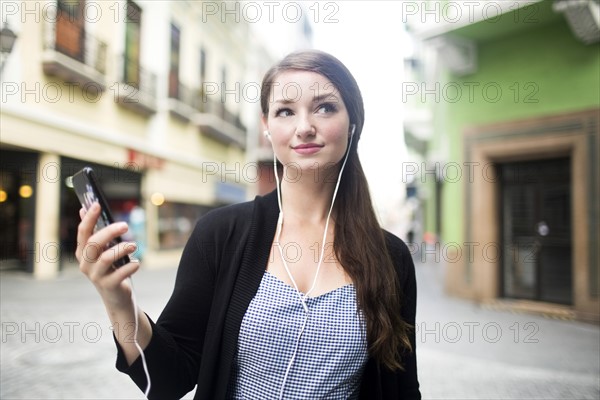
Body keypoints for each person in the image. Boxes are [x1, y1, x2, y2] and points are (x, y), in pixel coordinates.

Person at [76, 49, 420, 400]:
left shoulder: (391, 258)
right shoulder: (220, 234)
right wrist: (118, 299)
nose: (304, 127)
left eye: (324, 107)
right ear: (267, 127)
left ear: (352, 123)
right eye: (285, 111)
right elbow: (168, 381)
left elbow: (403, 389)